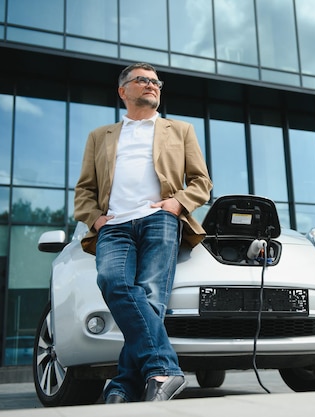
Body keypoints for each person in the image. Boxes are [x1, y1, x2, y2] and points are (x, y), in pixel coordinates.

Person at [74, 62, 212, 404]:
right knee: (112, 281)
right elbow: (84, 190)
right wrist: (94, 219)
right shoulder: (100, 136)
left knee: (151, 298)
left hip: (159, 219)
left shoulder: (179, 130)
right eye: (142, 80)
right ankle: (164, 369)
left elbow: (201, 182)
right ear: (124, 91)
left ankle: (123, 385)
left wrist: (177, 205)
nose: (151, 85)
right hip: (115, 225)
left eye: (155, 82)